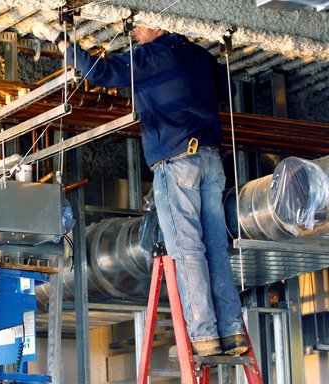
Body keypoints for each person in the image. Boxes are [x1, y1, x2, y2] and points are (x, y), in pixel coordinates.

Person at [32, 22, 248, 357]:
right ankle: (232, 333)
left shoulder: (151, 56)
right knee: (216, 249)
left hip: (177, 162)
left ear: (160, 24)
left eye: (139, 27)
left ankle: (203, 336)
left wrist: (61, 41)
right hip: (210, 160)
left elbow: (99, 71)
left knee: (188, 250)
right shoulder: (199, 56)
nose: (133, 33)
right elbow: (227, 88)